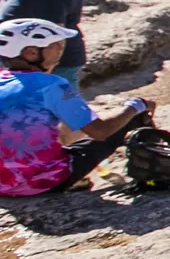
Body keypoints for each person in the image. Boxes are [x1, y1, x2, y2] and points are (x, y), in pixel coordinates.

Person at [0, 19, 150, 198]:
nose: (60, 52)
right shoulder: (51, 85)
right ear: (32, 53)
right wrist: (136, 105)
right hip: (41, 183)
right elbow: (99, 132)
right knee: (135, 117)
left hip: (3, 184)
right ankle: (155, 175)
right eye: (56, 46)